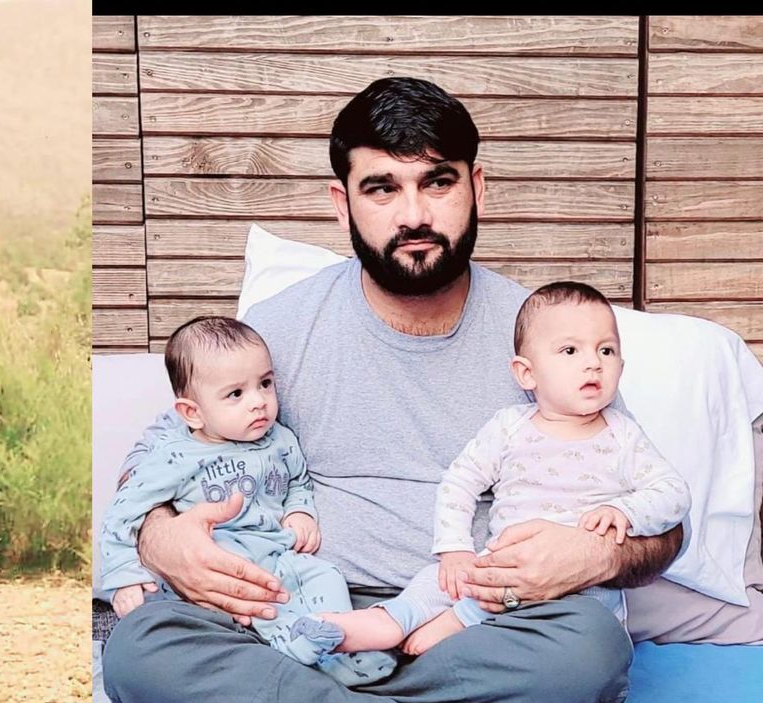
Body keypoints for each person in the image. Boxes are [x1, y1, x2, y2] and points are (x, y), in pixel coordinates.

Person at [101, 77, 683, 703]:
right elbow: (159, 457)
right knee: (140, 651)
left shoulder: (548, 338)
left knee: (587, 651)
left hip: (472, 623)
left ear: (477, 187)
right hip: (295, 617)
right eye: (382, 188)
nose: (414, 216)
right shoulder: (274, 331)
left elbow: (667, 527)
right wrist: (159, 534)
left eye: (437, 182)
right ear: (342, 202)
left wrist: (599, 558)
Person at [316, 282, 691, 657]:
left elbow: (674, 494)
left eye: (606, 350)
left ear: (620, 367)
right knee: (439, 579)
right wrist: (455, 549)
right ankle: (392, 620)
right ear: (527, 373)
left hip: (578, 586)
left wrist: (625, 511)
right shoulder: (510, 427)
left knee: (590, 614)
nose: (593, 362)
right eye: (570, 350)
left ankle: (461, 620)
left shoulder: (623, 436)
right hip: (499, 567)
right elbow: (459, 483)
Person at [99, 316, 396, 687]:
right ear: (193, 413)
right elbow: (124, 512)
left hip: (279, 551)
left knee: (325, 575)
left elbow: (298, 481)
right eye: (236, 394)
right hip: (224, 560)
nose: (259, 402)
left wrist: (300, 510)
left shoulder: (280, 440)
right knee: (251, 602)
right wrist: (124, 576)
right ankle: (295, 648)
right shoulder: (175, 456)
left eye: (265, 384)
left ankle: (341, 643)